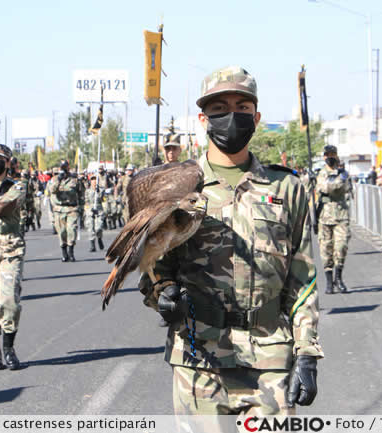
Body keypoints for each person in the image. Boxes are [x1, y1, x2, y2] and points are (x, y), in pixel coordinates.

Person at [138, 66, 322, 420]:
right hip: (197, 358)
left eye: (241, 107)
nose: (231, 116)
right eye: (219, 108)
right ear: (203, 118)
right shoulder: (177, 188)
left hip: (270, 358)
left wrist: (308, 353)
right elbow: (154, 265)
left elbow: (303, 279)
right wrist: (161, 295)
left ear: (257, 117)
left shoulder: (286, 188)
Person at [316, 145, 351, 294]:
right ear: (324, 157)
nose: (330, 157)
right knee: (325, 250)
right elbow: (319, 188)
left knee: (341, 247)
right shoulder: (319, 173)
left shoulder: (343, 173)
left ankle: (339, 278)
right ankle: (329, 282)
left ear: (336, 155)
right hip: (324, 216)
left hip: (340, 216)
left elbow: (339, 187)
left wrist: (326, 185)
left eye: (332, 154)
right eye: (327, 154)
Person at [48, 160, 83, 262]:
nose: (63, 169)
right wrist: (59, 180)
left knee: (71, 230)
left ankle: (71, 252)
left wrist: (81, 207)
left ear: (68, 167)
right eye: (61, 168)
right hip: (59, 209)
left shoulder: (74, 180)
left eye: (65, 167)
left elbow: (81, 193)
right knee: (62, 232)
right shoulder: (54, 179)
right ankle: (64, 253)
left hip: (72, 208)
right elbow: (52, 190)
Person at [84, 173, 105, 252]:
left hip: (99, 210)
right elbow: (86, 201)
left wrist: (98, 191)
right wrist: (87, 209)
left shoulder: (101, 189)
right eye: (92, 179)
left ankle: (99, 238)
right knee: (90, 227)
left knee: (98, 227)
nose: (94, 181)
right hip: (90, 210)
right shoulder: (88, 191)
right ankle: (92, 245)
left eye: (95, 179)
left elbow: (101, 198)